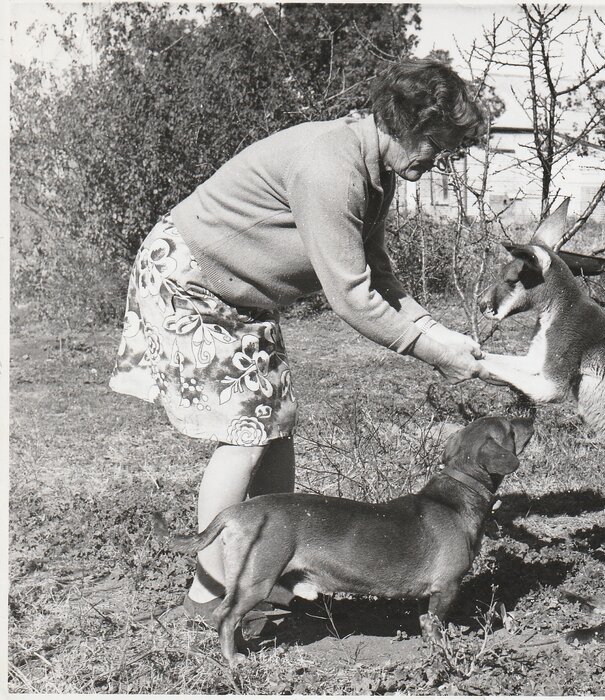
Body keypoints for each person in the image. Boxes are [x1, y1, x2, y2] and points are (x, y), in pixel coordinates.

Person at [110, 59, 487, 622]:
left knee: (275, 424)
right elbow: (352, 295)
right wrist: (433, 352)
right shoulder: (330, 167)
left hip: (241, 295)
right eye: (436, 143)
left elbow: (377, 271)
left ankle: (276, 573)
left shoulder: (373, 167)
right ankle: (212, 589)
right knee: (243, 433)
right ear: (406, 123)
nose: (439, 159)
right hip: (191, 278)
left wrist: (438, 333)